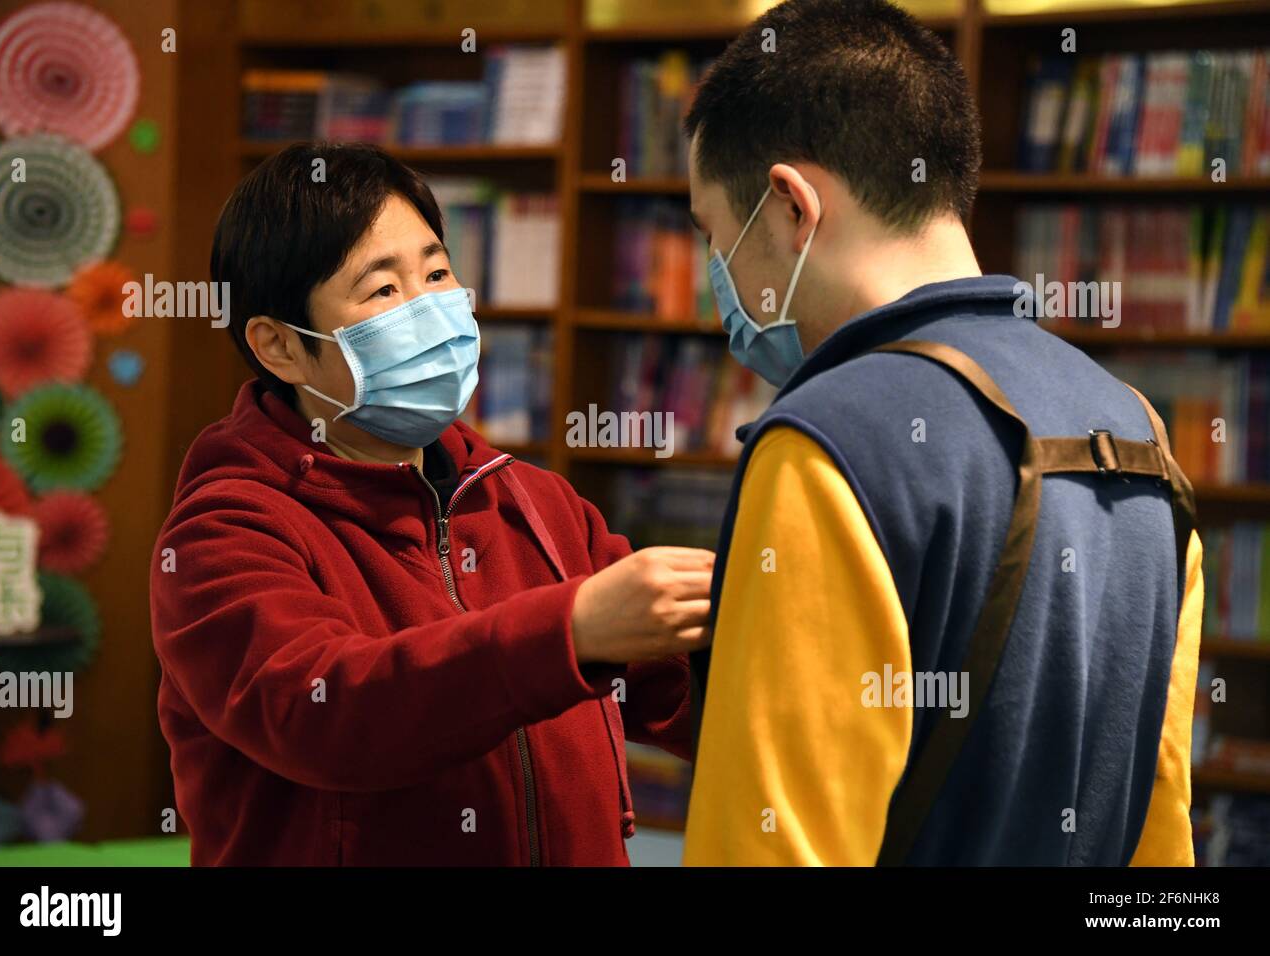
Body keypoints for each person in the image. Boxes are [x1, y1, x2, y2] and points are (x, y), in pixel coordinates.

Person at [682, 0, 1201, 865]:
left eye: (712, 235)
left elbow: (768, 844)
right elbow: (1162, 824)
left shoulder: (827, 443)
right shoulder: (1137, 427)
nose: (718, 279)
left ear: (789, 206)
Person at [149, 142, 713, 865]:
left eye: (439, 272)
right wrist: (569, 632)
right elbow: (328, 713)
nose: (433, 309)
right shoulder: (222, 532)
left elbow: (672, 688)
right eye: (382, 291)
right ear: (280, 347)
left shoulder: (534, 501)